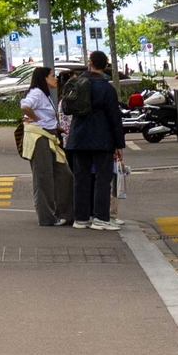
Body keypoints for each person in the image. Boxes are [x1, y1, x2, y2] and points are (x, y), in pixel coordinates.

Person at [62, 52, 127, 230]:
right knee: (102, 179)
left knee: (81, 179)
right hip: (101, 138)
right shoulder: (107, 88)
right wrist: (119, 144)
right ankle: (100, 218)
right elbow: (115, 118)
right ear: (105, 66)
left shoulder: (77, 83)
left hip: (78, 137)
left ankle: (81, 218)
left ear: (90, 63)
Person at [18, 68, 72, 227]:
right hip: (39, 138)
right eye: (52, 76)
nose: (56, 79)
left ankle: (64, 213)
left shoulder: (44, 95)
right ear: (44, 78)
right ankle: (47, 217)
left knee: (65, 175)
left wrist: (55, 127)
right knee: (43, 178)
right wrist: (36, 119)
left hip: (48, 136)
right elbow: (25, 106)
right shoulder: (36, 93)